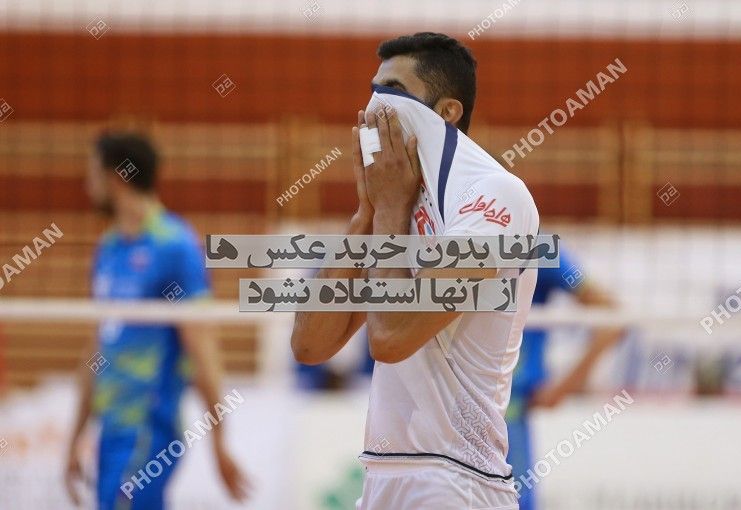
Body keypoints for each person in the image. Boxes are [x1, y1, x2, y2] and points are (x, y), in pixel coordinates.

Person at [291, 33, 538, 509]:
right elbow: (309, 346)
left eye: (394, 90)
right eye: (374, 87)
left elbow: (391, 338)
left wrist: (388, 211)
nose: (376, 103)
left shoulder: (495, 195)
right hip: (383, 473)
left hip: (457, 477)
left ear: (448, 112)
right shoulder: (399, 200)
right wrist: (365, 213)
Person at [64, 131, 250, 509]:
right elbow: (96, 348)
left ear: (116, 178)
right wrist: (75, 437)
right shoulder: (108, 249)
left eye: (93, 175)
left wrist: (219, 441)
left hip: (150, 428)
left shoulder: (174, 246)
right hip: (110, 431)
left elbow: (203, 348)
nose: (87, 187)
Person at [506, 245, 622, 510]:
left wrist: (564, 387)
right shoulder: (453, 240)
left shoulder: (537, 249)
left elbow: (613, 317)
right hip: (455, 411)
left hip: (508, 413)